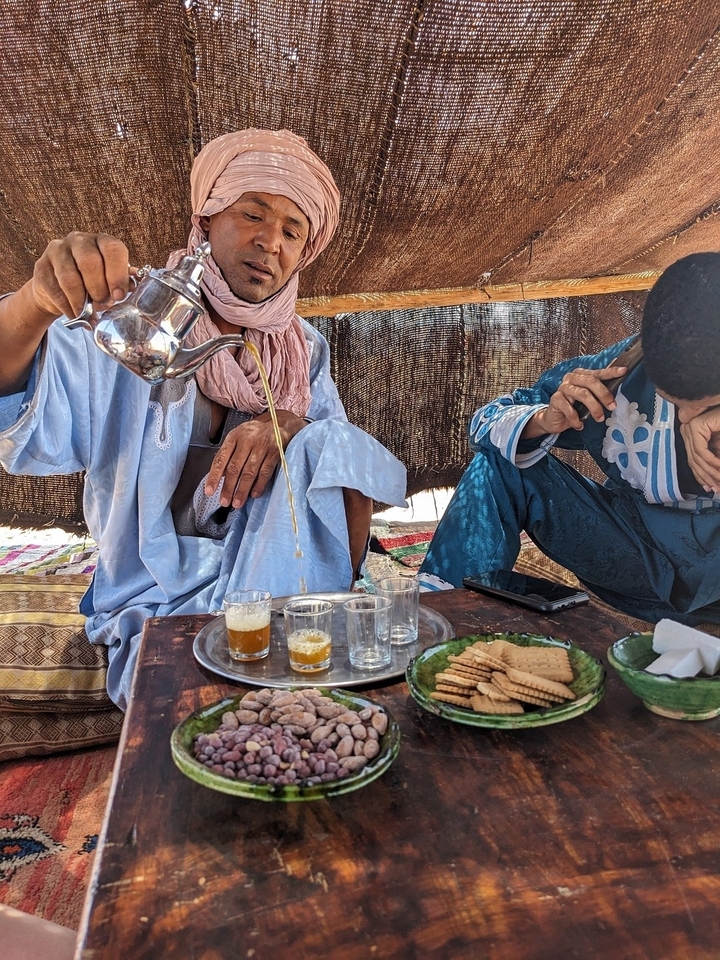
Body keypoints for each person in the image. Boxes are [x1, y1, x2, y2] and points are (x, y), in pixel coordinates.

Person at [0, 129, 406, 709]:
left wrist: (289, 426)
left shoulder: (303, 350)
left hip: (288, 596)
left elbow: (343, 475)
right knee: (210, 718)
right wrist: (33, 304)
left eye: (293, 232)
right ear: (206, 219)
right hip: (159, 594)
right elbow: (16, 412)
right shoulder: (135, 320)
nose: (270, 242)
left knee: (324, 448)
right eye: (252, 215)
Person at [419, 252, 720, 627]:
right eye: (673, 402)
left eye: (707, 405)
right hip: (635, 564)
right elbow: (486, 421)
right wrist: (544, 419)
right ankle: (440, 622)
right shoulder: (623, 371)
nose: (686, 418)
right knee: (502, 462)